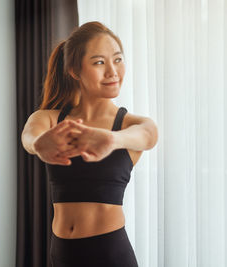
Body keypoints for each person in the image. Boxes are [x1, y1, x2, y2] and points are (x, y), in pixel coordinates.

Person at [21, 21, 158, 267]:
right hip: (62, 254)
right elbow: (29, 136)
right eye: (99, 62)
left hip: (110, 255)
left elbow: (149, 134)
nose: (112, 72)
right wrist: (39, 144)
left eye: (117, 59)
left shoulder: (128, 124)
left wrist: (111, 139)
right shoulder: (53, 119)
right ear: (74, 70)